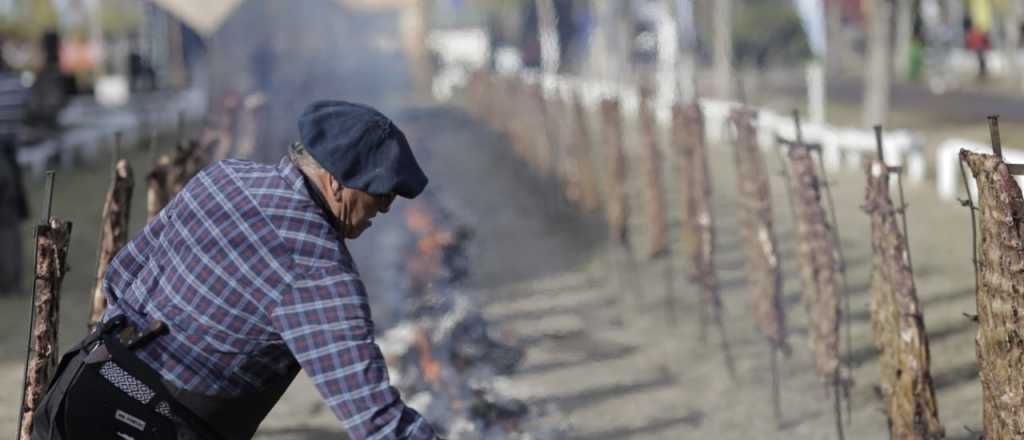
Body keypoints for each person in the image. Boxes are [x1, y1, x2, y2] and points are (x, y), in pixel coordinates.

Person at [31, 101, 441, 440]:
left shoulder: (224, 177)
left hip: (80, 387)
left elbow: (123, 273)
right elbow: (378, 421)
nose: (386, 207)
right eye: (381, 192)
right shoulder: (317, 270)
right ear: (336, 183)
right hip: (151, 427)